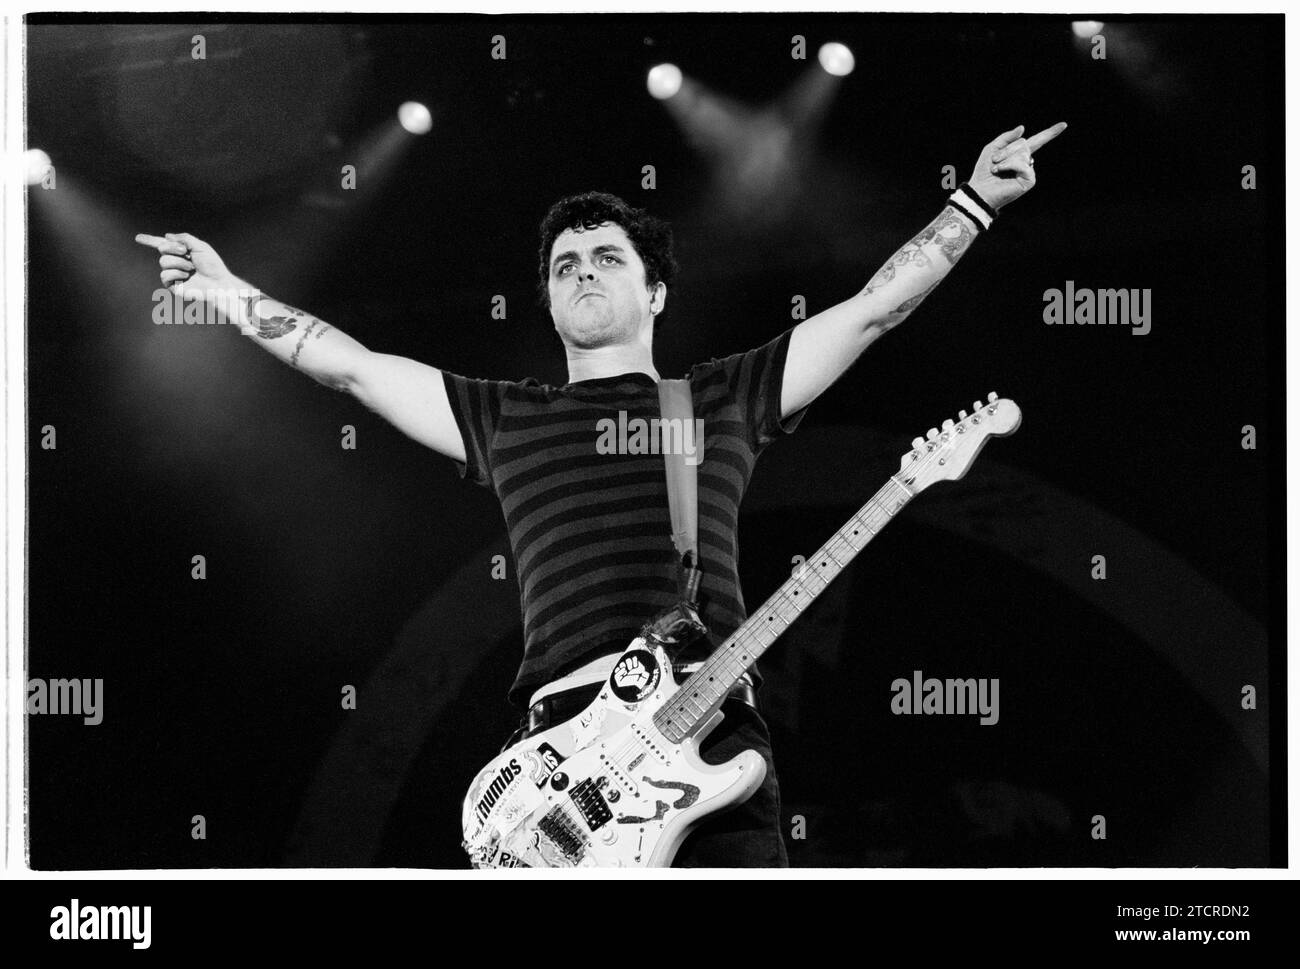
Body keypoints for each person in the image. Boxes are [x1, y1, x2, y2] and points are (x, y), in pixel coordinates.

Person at [136, 121, 1065, 867]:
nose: (582, 271)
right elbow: (353, 369)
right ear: (545, 303)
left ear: (656, 291)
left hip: (710, 742)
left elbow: (873, 307)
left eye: (606, 257)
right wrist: (226, 292)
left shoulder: (722, 395)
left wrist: (975, 202)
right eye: (564, 265)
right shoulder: (503, 415)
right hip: (556, 781)